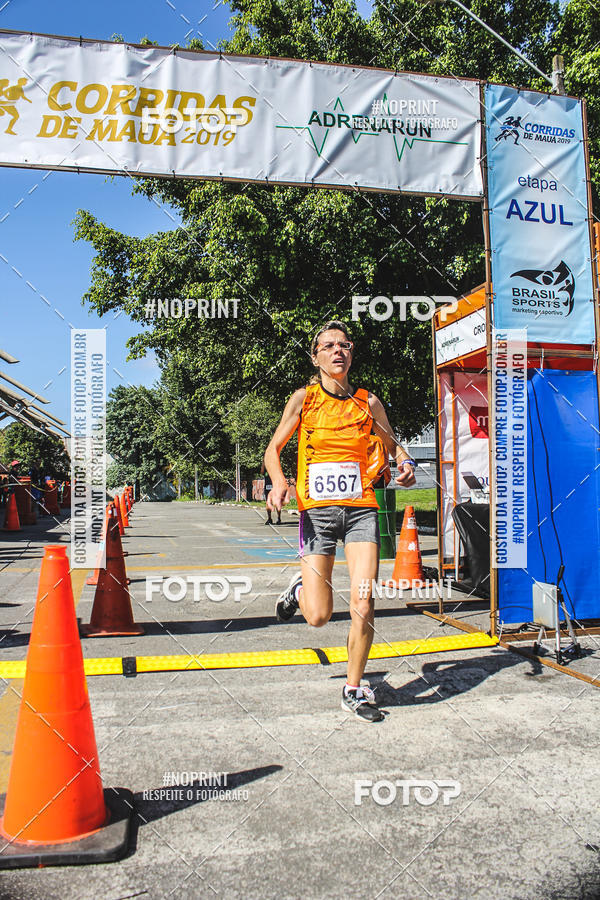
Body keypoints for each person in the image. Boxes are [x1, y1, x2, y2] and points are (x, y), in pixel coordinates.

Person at [264, 321, 416, 723]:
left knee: (364, 600)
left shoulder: (369, 402)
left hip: (363, 510)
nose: (337, 351)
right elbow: (273, 449)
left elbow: (393, 445)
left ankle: (354, 688)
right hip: (317, 514)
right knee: (318, 616)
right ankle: (301, 590)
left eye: (344, 345)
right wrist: (279, 482)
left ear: (351, 354)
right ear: (315, 357)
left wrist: (404, 463)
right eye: (328, 346)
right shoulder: (304, 399)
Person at [261, 460, 281, 525]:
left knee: (277, 503)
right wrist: (263, 463)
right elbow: (261, 472)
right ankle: (269, 519)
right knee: (268, 503)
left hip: (275, 488)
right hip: (267, 488)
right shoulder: (266, 470)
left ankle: (279, 518)